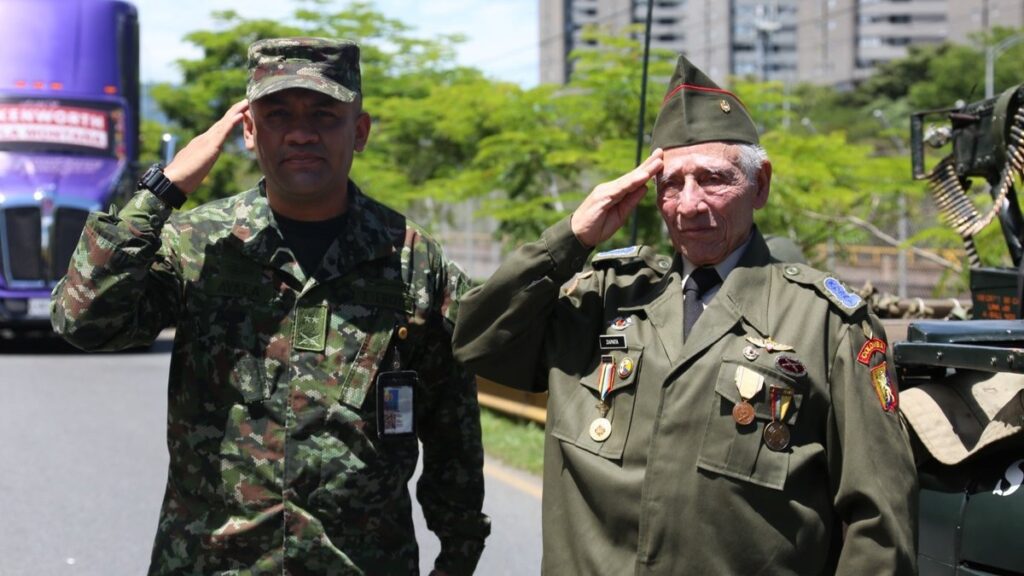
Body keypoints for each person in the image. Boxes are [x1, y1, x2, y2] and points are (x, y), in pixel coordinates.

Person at [453, 55, 916, 574]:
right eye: (672, 183)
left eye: (713, 179)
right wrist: (571, 239)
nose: (689, 204)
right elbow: (474, 342)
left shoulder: (827, 324)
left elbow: (879, 524)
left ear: (759, 184)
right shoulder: (603, 298)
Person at [51, 37, 489, 575]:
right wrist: (163, 189)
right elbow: (83, 319)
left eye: (325, 115)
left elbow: (452, 424)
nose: (301, 132)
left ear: (360, 131)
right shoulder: (199, 243)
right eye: (278, 114)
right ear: (250, 133)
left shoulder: (411, 257)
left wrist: (459, 552)